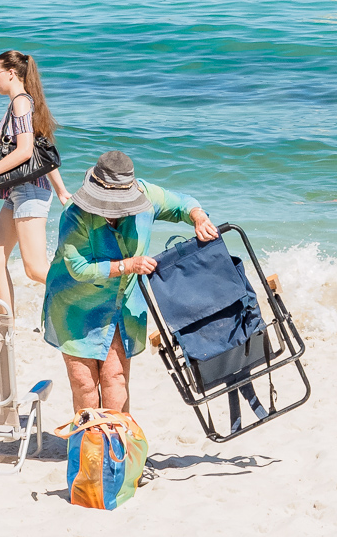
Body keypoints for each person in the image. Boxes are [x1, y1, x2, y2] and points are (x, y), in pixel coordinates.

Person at [42, 150, 218, 413]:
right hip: (75, 304)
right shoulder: (75, 214)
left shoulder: (146, 195)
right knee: (84, 383)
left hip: (120, 303)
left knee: (115, 378)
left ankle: (117, 448)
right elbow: (78, 268)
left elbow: (182, 202)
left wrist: (198, 217)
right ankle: (90, 445)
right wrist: (128, 265)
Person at [0, 50, 73, 315]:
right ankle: (6, 325)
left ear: (11, 73)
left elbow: (26, 151)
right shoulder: (21, 103)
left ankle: (89, 292)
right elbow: (44, 151)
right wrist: (62, 190)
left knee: (35, 269)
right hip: (19, 190)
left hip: (29, 191)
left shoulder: (21, 102)